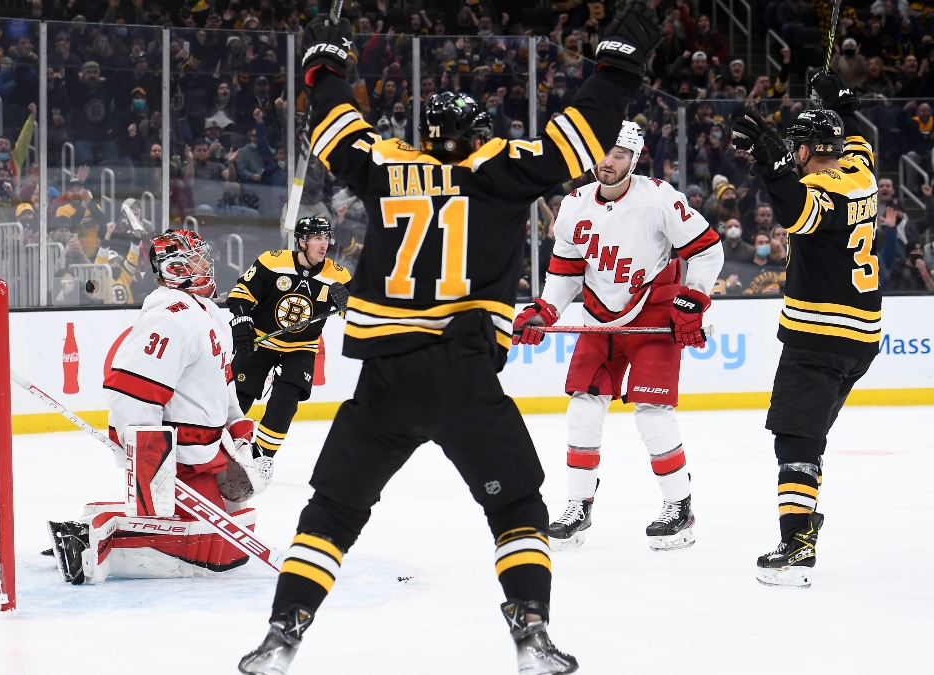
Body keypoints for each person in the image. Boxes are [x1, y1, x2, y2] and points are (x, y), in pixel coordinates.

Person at [238, 4, 663, 674]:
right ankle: (531, 631)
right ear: (478, 131)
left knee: (333, 511)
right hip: (464, 372)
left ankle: (282, 631)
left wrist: (326, 67)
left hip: (385, 377)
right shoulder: (500, 166)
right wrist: (617, 66)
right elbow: (580, 138)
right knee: (518, 507)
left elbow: (333, 129)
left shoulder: (385, 164)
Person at [515, 122, 723, 553]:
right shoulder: (573, 205)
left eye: (621, 155)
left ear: (636, 159)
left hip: (653, 312)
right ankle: (577, 506)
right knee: (582, 407)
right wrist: (547, 307)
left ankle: (678, 507)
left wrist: (697, 297)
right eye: (605, 153)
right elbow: (567, 271)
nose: (610, 162)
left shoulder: (659, 197)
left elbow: (706, 248)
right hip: (598, 318)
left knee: (652, 411)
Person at [46, 231, 270, 584]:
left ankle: (108, 530)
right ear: (177, 267)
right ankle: (88, 539)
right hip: (179, 458)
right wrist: (151, 460)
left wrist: (235, 426)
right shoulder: (170, 318)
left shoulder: (207, 312)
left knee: (225, 538)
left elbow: (222, 380)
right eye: (197, 258)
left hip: (204, 454)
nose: (206, 264)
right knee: (202, 548)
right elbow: (130, 393)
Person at [731, 72, 880, 588]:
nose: (791, 153)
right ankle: (804, 521)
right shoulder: (859, 171)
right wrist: (842, 104)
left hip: (821, 335)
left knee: (795, 440)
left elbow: (796, 210)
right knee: (807, 439)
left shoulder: (824, 190)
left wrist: (774, 167)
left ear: (809, 150)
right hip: (861, 339)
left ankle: (797, 543)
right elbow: (854, 140)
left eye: (796, 147)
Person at [227, 216, 351, 461]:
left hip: (301, 349)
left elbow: (359, 313)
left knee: (285, 402)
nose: (323, 244)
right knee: (240, 394)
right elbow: (241, 294)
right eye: (317, 238)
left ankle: (261, 458)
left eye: (326, 238)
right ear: (302, 241)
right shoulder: (273, 262)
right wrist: (242, 320)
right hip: (261, 341)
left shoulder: (338, 275)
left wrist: (350, 302)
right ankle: (218, 447)